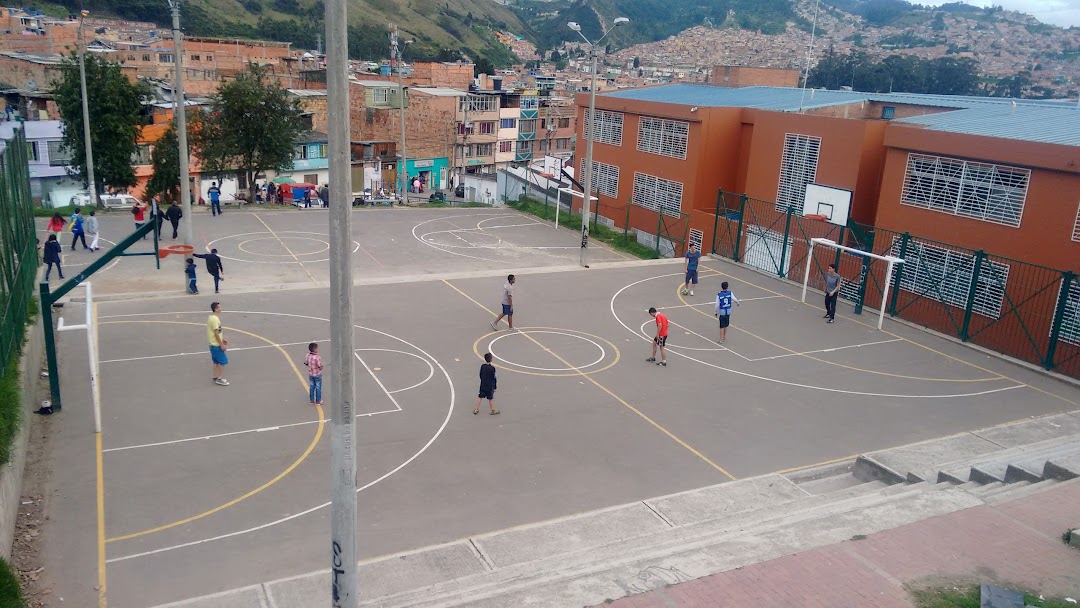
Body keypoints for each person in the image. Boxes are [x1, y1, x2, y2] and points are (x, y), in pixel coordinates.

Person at [207, 302, 229, 385]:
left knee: (216, 361)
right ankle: (219, 378)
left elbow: (217, 332)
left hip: (212, 344)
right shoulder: (215, 319)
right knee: (222, 361)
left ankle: (215, 376)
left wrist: (222, 339)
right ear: (216, 309)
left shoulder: (211, 317)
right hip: (216, 345)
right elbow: (216, 333)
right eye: (219, 307)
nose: (221, 309)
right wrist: (221, 344)